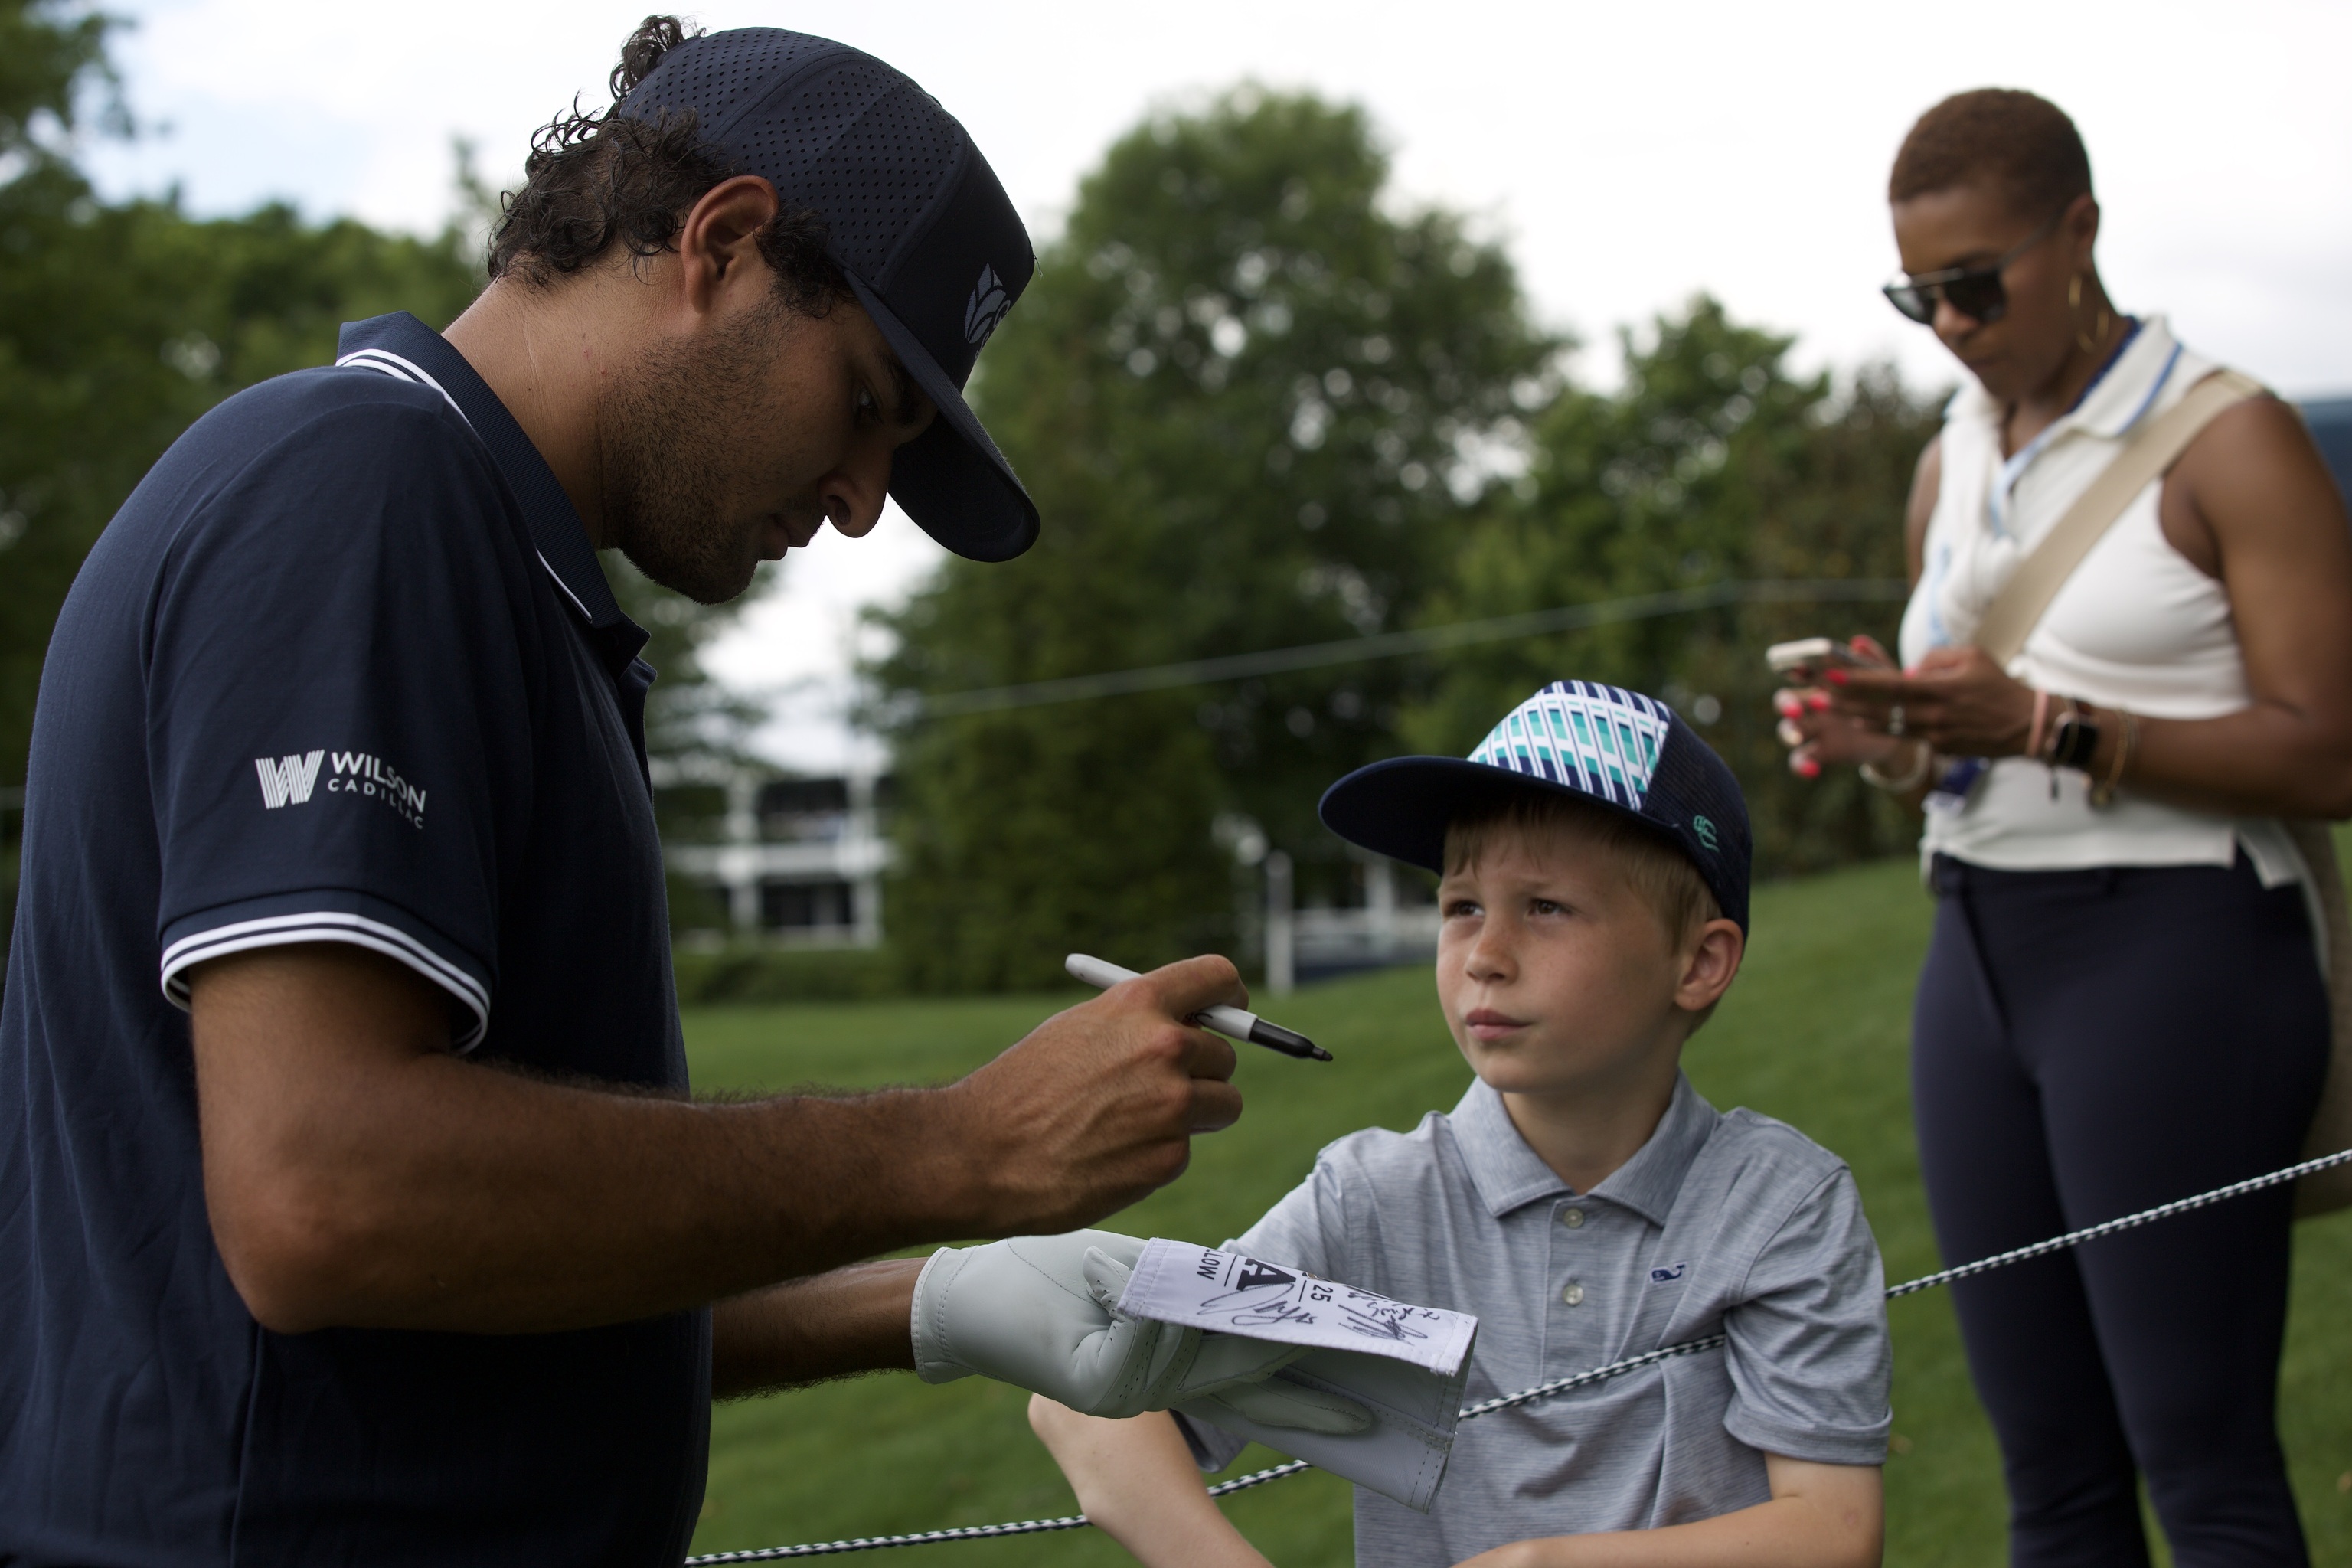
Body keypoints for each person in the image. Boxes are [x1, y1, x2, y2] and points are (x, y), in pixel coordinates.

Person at [0, 21, 1300, 1566]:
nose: (864, 501)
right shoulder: (361, 490)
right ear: (725, 243)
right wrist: (955, 1145)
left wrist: (928, 1301)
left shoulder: (507, 579)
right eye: (870, 402)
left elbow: (498, 1265)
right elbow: (324, 1191)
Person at [1776, 89, 2352, 1566]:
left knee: (2201, 1463)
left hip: (2177, 946)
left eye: (1977, 282)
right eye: (1919, 293)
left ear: (2077, 233)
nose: (1950, 324)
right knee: (2050, 1476)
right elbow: (1959, 756)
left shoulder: (2230, 437)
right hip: (1974, 952)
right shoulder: (1946, 459)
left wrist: (2047, 724)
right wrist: (1888, 741)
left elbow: (2331, 749)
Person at [1031, 681, 1893, 1568]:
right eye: (1462, 906)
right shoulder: (1375, 1200)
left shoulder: (1781, 1202)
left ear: (1700, 960)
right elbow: (1091, 1400)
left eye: (1546, 906)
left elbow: (1832, 1528)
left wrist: (1544, 1564)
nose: (1484, 955)